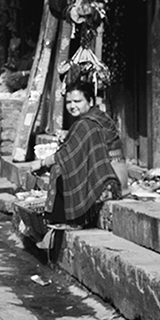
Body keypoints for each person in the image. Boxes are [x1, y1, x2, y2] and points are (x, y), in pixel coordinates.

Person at [35, 81, 128, 227]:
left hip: (108, 181)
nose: (72, 106)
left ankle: (64, 220)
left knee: (59, 170)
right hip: (115, 178)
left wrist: (41, 163)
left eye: (77, 101)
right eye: (69, 102)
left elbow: (66, 154)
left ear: (90, 101)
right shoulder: (98, 116)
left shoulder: (87, 123)